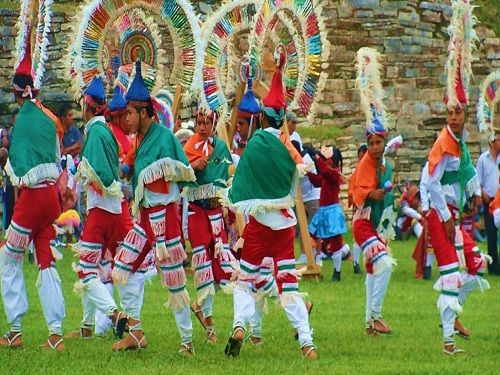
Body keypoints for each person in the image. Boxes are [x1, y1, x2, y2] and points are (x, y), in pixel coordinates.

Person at [221, 45, 316, 360]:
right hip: (286, 228)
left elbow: (243, 178)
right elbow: (299, 173)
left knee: (246, 281)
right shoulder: (287, 145)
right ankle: (306, 343)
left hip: (260, 227)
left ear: (262, 116)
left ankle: (238, 326)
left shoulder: (256, 143)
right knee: (288, 285)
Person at [419, 1, 490, 355]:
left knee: (474, 269)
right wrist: (445, 218)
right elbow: (429, 183)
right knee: (449, 273)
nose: (456, 116)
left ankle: (453, 314)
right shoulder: (443, 141)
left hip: (453, 213)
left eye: (460, 111)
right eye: (451, 111)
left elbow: (465, 170)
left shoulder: (460, 142)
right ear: (446, 112)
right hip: (439, 214)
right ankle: (448, 341)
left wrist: (475, 192)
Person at [111, 61, 197, 354]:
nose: (126, 120)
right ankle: (135, 332)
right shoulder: (141, 140)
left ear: (144, 112)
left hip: (166, 219)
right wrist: (126, 168)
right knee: (123, 266)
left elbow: (180, 171)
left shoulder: (164, 138)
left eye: (130, 114)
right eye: (124, 114)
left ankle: (187, 342)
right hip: (145, 217)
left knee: (174, 280)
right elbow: (133, 164)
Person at [0, 42, 65, 350]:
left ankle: (14, 330)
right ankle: (55, 334)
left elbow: (16, 164)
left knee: (8, 259)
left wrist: (5, 159)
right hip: (51, 196)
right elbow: (56, 158)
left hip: (32, 199)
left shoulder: (24, 119)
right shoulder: (49, 117)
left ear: (18, 92)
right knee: (46, 261)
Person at [68, 75, 130, 341]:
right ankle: (86, 327)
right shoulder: (104, 129)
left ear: (88, 106)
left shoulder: (95, 131)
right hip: (114, 210)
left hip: (100, 212)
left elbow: (97, 174)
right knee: (97, 267)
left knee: (85, 270)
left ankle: (114, 314)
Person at [352, 47, 396, 336]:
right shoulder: (367, 163)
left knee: (371, 272)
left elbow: (387, 192)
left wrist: (389, 196)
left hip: (374, 224)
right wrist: (370, 194)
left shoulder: (385, 165)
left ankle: (369, 324)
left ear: (384, 141)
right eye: (371, 143)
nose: (374, 148)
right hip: (362, 224)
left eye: (378, 143)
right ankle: (377, 316)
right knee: (385, 264)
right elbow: (356, 189)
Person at [183, 108, 236, 344]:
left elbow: (223, 174)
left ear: (214, 123)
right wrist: (193, 166)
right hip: (196, 211)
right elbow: (181, 172)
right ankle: (209, 321)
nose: (202, 127)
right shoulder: (188, 147)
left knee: (222, 261)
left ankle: (202, 307)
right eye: (199, 122)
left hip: (215, 211)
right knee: (202, 260)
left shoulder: (222, 148)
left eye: (206, 122)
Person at [308, 146, 350, 281]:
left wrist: (317, 159)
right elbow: (316, 181)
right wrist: (307, 171)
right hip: (324, 211)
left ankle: (337, 272)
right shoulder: (328, 175)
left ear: (332, 161)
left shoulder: (334, 173)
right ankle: (317, 261)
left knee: (336, 242)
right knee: (313, 235)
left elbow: (325, 171)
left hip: (332, 211)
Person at [476, 133, 499, 275]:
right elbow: (477, 180)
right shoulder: (483, 160)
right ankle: (493, 265)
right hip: (489, 200)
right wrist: (482, 193)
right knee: (491, 233)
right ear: (492, 142)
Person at [294, 143, 321, 266]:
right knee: (300, 227)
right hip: (300, 199)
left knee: (314, 228)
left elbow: (303, 173)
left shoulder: (305, 159)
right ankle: (304, 254)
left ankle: (317, 255)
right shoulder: (292, 160)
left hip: (312, 197)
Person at [348, 144, 368, 274]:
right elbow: (351, 189)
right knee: (358, 235)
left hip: (371, 205)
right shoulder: (356, 172)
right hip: (360, 206)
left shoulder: (374, 170)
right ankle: (355, 263)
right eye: (359, 157)